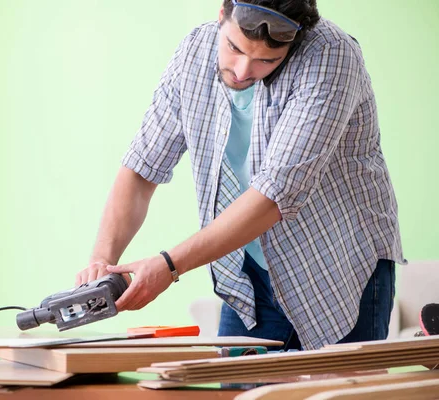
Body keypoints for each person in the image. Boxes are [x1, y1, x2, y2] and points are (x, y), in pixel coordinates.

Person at [76, 0, 404, 350]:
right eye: (233, 47)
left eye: (267, 60)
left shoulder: (332, 57)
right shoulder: (194, 54)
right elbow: (142, 168)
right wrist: (102, 261)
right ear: (222, 13)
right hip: (249, 278)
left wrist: (168, 265)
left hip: (337, 268)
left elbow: (273, 196)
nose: (243, 70)